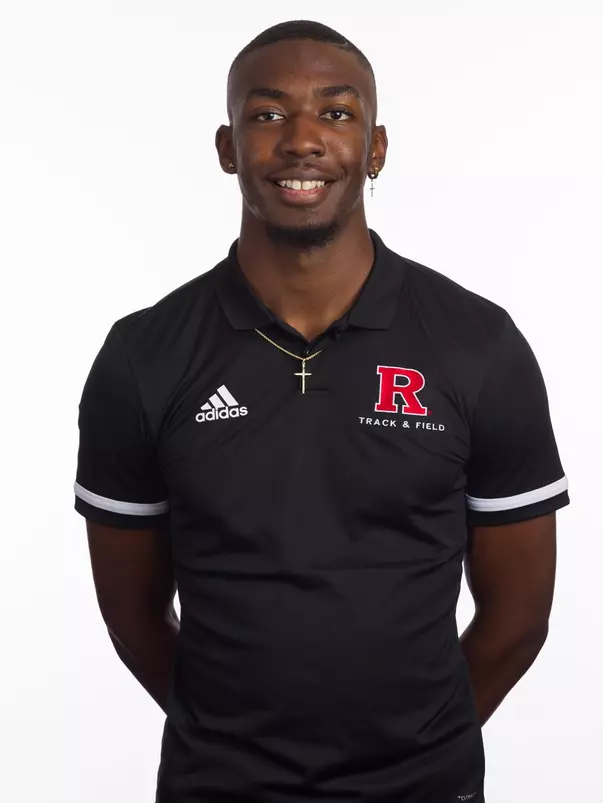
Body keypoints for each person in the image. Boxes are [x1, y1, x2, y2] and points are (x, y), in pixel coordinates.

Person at [73, 19, 570, 803]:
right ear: (226, 147)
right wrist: (232, 746)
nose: (302, 139)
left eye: (336, 113)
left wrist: (416, 750)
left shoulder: (477, 344)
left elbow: (518, 617)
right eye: (266, 114)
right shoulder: (144, 356)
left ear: (374, 148)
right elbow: (132, 616)